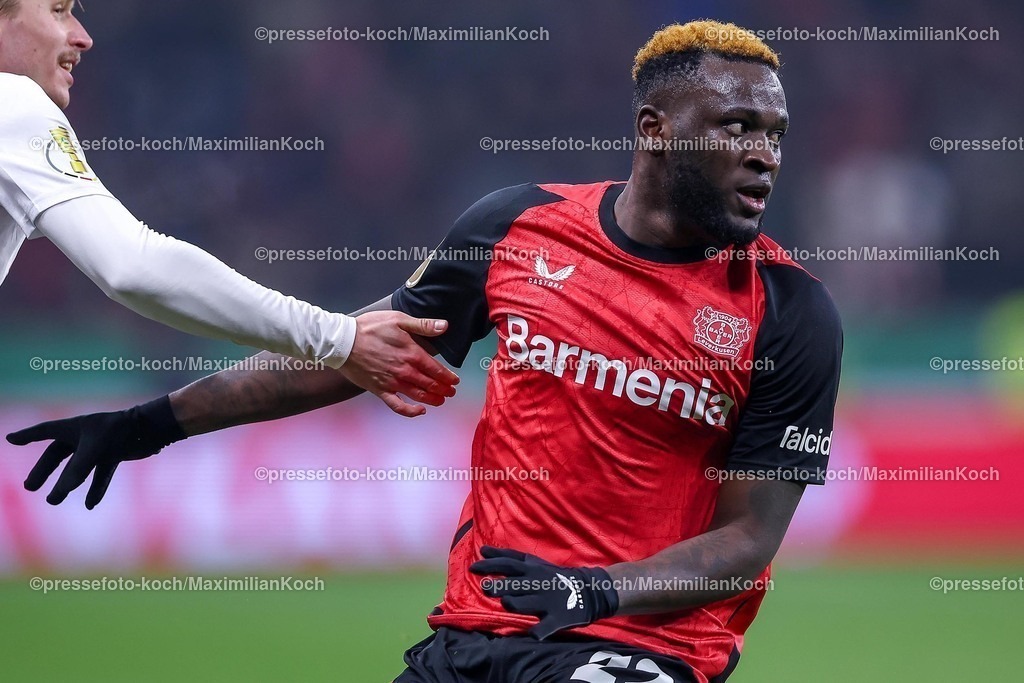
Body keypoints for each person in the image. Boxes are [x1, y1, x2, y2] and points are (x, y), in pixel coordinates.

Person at [8, 20, 843, 683]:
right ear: (655, 130)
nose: (764, 152)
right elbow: (359, 351)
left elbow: (746, 543)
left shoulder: (790, 314)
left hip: (637, 648)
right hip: (473, 636)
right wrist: (154, 423)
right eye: (737, 125)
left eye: (776, 132)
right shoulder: (515, 229)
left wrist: (596, 589)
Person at [0, 0, 459, 418]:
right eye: (58, 10)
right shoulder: (13, 102)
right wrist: (340, 338)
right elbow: (133, 267)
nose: (82, 35)